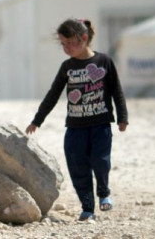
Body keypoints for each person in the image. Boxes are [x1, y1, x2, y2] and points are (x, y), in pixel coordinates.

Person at [25, 18, 128, 221]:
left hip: (100, 126)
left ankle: (104, 192)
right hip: (75, 128)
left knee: (100, 162)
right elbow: (53, 94)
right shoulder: (67, 67)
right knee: (78, 167)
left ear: (84, 38)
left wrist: (122, 117)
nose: (66, 48)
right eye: (63, 44)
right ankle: (87, 208)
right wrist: (37, 120)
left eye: (70, 43)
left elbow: (117, 91)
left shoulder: (104, 62)